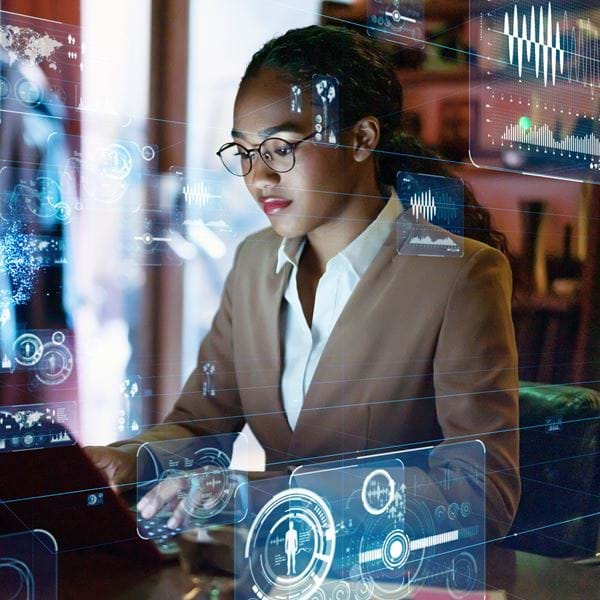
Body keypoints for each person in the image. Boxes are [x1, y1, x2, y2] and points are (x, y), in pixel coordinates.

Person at [86, 25, 520, 540]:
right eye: (245, 152)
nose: (258, 177)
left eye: (281, 148)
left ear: (361, 139)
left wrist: (256, 497)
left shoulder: (459, 275)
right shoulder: (254, 263)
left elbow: (480, 493)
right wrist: (124, 460)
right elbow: (201, 424)